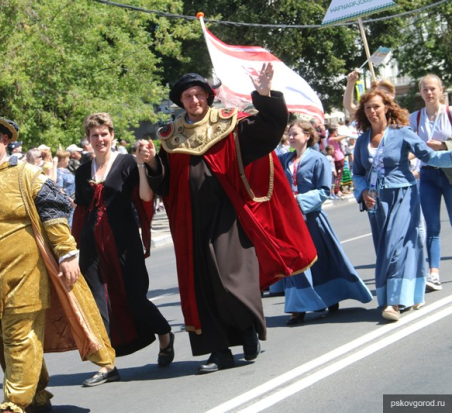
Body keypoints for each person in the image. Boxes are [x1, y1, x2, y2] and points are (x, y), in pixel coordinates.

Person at [0, 113, 116, 413]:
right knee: (3, 343)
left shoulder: (26, 175)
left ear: (5, 141)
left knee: (20, 339)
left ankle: (14, 404)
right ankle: (37, 396)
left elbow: (54, 216)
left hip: (24, 279)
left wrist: (67, 254)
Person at [140, 69, 317, 373]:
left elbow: (269, 131)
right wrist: (153, 162)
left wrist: (265, 95)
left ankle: (248, 330)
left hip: (228, 217)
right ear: (181, 101)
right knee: (203, 287)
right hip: (191, 222)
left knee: (232, 280)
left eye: (198, 94)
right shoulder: (172, 137)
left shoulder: (229, 123)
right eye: (187, 96)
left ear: (208, 96)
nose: (194, 100)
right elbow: (166, 185)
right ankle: (218, 350)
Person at [73, 112, 174, 377]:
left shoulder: (127, 162)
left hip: (124, 240)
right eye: (94, 135)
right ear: (88, 139)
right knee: (96, 303)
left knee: (135, 298)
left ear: (112, 135)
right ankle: (107, 364)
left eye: (104, 134)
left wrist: (141, 166)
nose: (100, 139)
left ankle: (164, 333)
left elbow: (145, 195)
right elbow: (82, 210)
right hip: (92, 244)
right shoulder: (83, 170)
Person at [352, 89, 452, 322]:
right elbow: (358, 173)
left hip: (403, 196)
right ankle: (404, 294)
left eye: (376, 106)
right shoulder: (362, 140)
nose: (372, 111)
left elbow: (430, 157)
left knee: (397, 246)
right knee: (384, 248)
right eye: (367, 108)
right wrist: (363, 191)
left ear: (387, 107)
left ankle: (394, 303)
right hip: (376, 202)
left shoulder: (402, 133)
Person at [279, 121, 373, 324]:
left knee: (322, 260)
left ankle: (331, 295)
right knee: (295, 261)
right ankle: (298, 307)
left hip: (312, 218)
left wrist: (298, 201)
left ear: (307, 135)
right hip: (290, 220)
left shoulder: (318, 159)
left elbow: (324, 191)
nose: (291, 137)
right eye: (289, 134)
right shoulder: (283, 159)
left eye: (294, 134)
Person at [409, 74, 452, 292]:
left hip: (450, 175)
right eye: (425, 89)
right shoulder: (415, 118)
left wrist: (444, 145)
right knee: (432, 227)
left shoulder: (450, 114)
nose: (429, 92)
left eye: (433, 88)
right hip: (427, 176)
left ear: (441, 90)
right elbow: (408, 146)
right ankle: (433, 274)